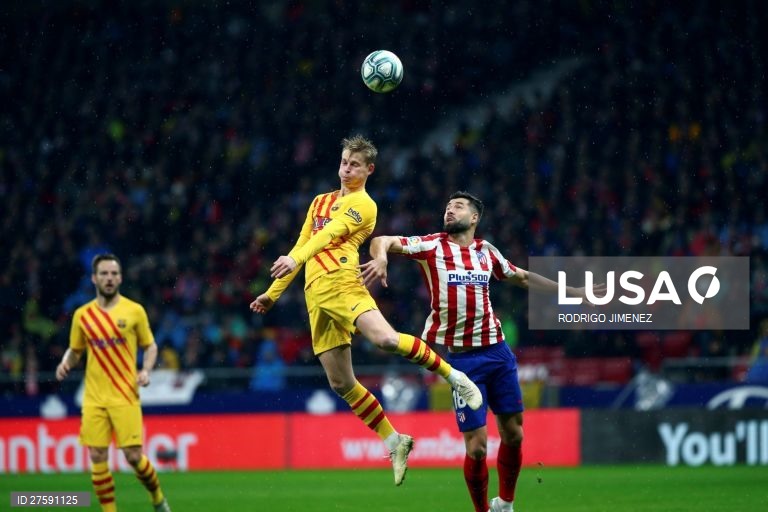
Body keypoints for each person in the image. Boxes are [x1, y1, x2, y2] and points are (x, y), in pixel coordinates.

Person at [250, 135, 483, 486]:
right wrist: (272, 293)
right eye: (344, 162)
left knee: (385, 339)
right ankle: (395, 441)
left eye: (355, 164)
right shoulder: (319, 201)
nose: (347, 169)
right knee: (342, 382)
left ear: (369, 170)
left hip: (343, 282)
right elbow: (301, 244)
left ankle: (455, 377)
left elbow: (329, 235)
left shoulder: (365, 205)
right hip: (316, 296)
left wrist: (296, 257)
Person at [361, 191, 596, 512]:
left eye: (457, 206)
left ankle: (506, 504)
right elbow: (383, 239)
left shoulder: (487, 252)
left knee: (513, 434)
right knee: (477, 448)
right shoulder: (432, 246)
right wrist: (381, 256)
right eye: (447, 206)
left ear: (474, 218)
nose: (449, 210)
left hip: (498, 353)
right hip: (462, 362)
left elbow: (523, 277)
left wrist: (573, 293)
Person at [56, 254, 171, 512]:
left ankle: (157, 497)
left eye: (114, 274)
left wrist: (146, 370)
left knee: (133, 457)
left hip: (125, 394)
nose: (109, 278)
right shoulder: (82, 315)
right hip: (94, 397)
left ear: (120, 277)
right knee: (97, 456)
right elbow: (75, 350)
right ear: (94, 278)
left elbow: (150, 346)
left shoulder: (134, 311)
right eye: (104, 274)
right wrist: (65, 362)